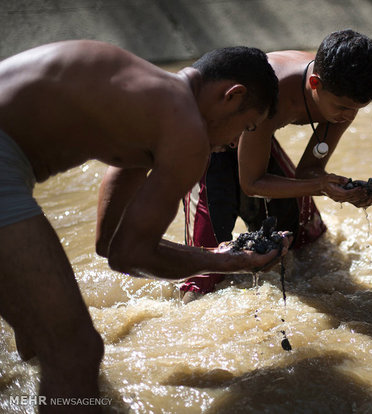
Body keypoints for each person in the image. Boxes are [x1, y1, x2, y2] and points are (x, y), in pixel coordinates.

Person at [0, 39, 290, 412]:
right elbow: (129, 255)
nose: (234, 143)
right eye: (245, 127)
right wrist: (230, 260)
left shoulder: (142, 102)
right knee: (76, 352)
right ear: (231, 96)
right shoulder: (186, 127)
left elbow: (108, 245)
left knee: (39, 335)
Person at [181, 29, 372, 302]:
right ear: (316, 84)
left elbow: (308, 172)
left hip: (254, 137)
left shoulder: (343, 91)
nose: (347, 117)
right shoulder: (273, 91)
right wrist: (320, 186)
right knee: (202, 279)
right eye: (342, 108)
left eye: (355, 109)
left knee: (310, 243)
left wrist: (343, 191)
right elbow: (252, 184)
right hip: (211, 138)